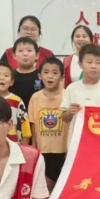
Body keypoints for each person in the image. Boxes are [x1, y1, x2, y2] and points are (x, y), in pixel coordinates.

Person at [61, 44, 100, 144]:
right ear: (80, 64)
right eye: (89, 62)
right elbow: (64, 117)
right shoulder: (71, 88)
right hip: (76, 142)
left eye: (98, 63)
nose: (93, 66)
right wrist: (70, 112)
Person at [28, 57, 67, 190]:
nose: (50, 76)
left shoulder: (67, 95)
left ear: (62, 77)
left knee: (60, 190)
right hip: (43, 151)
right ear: (40, 75)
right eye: (46, 72)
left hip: (63, 151)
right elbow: (33, 126)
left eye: (55, 73)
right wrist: (34, 151)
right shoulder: (35, 97)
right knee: (45, 189)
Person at [10, 37, 42, 109]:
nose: (25, 54)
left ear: (37, 55)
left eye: (29, 50)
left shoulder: (42, 76)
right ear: (14, 55)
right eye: (20, 51)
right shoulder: (9, 76)